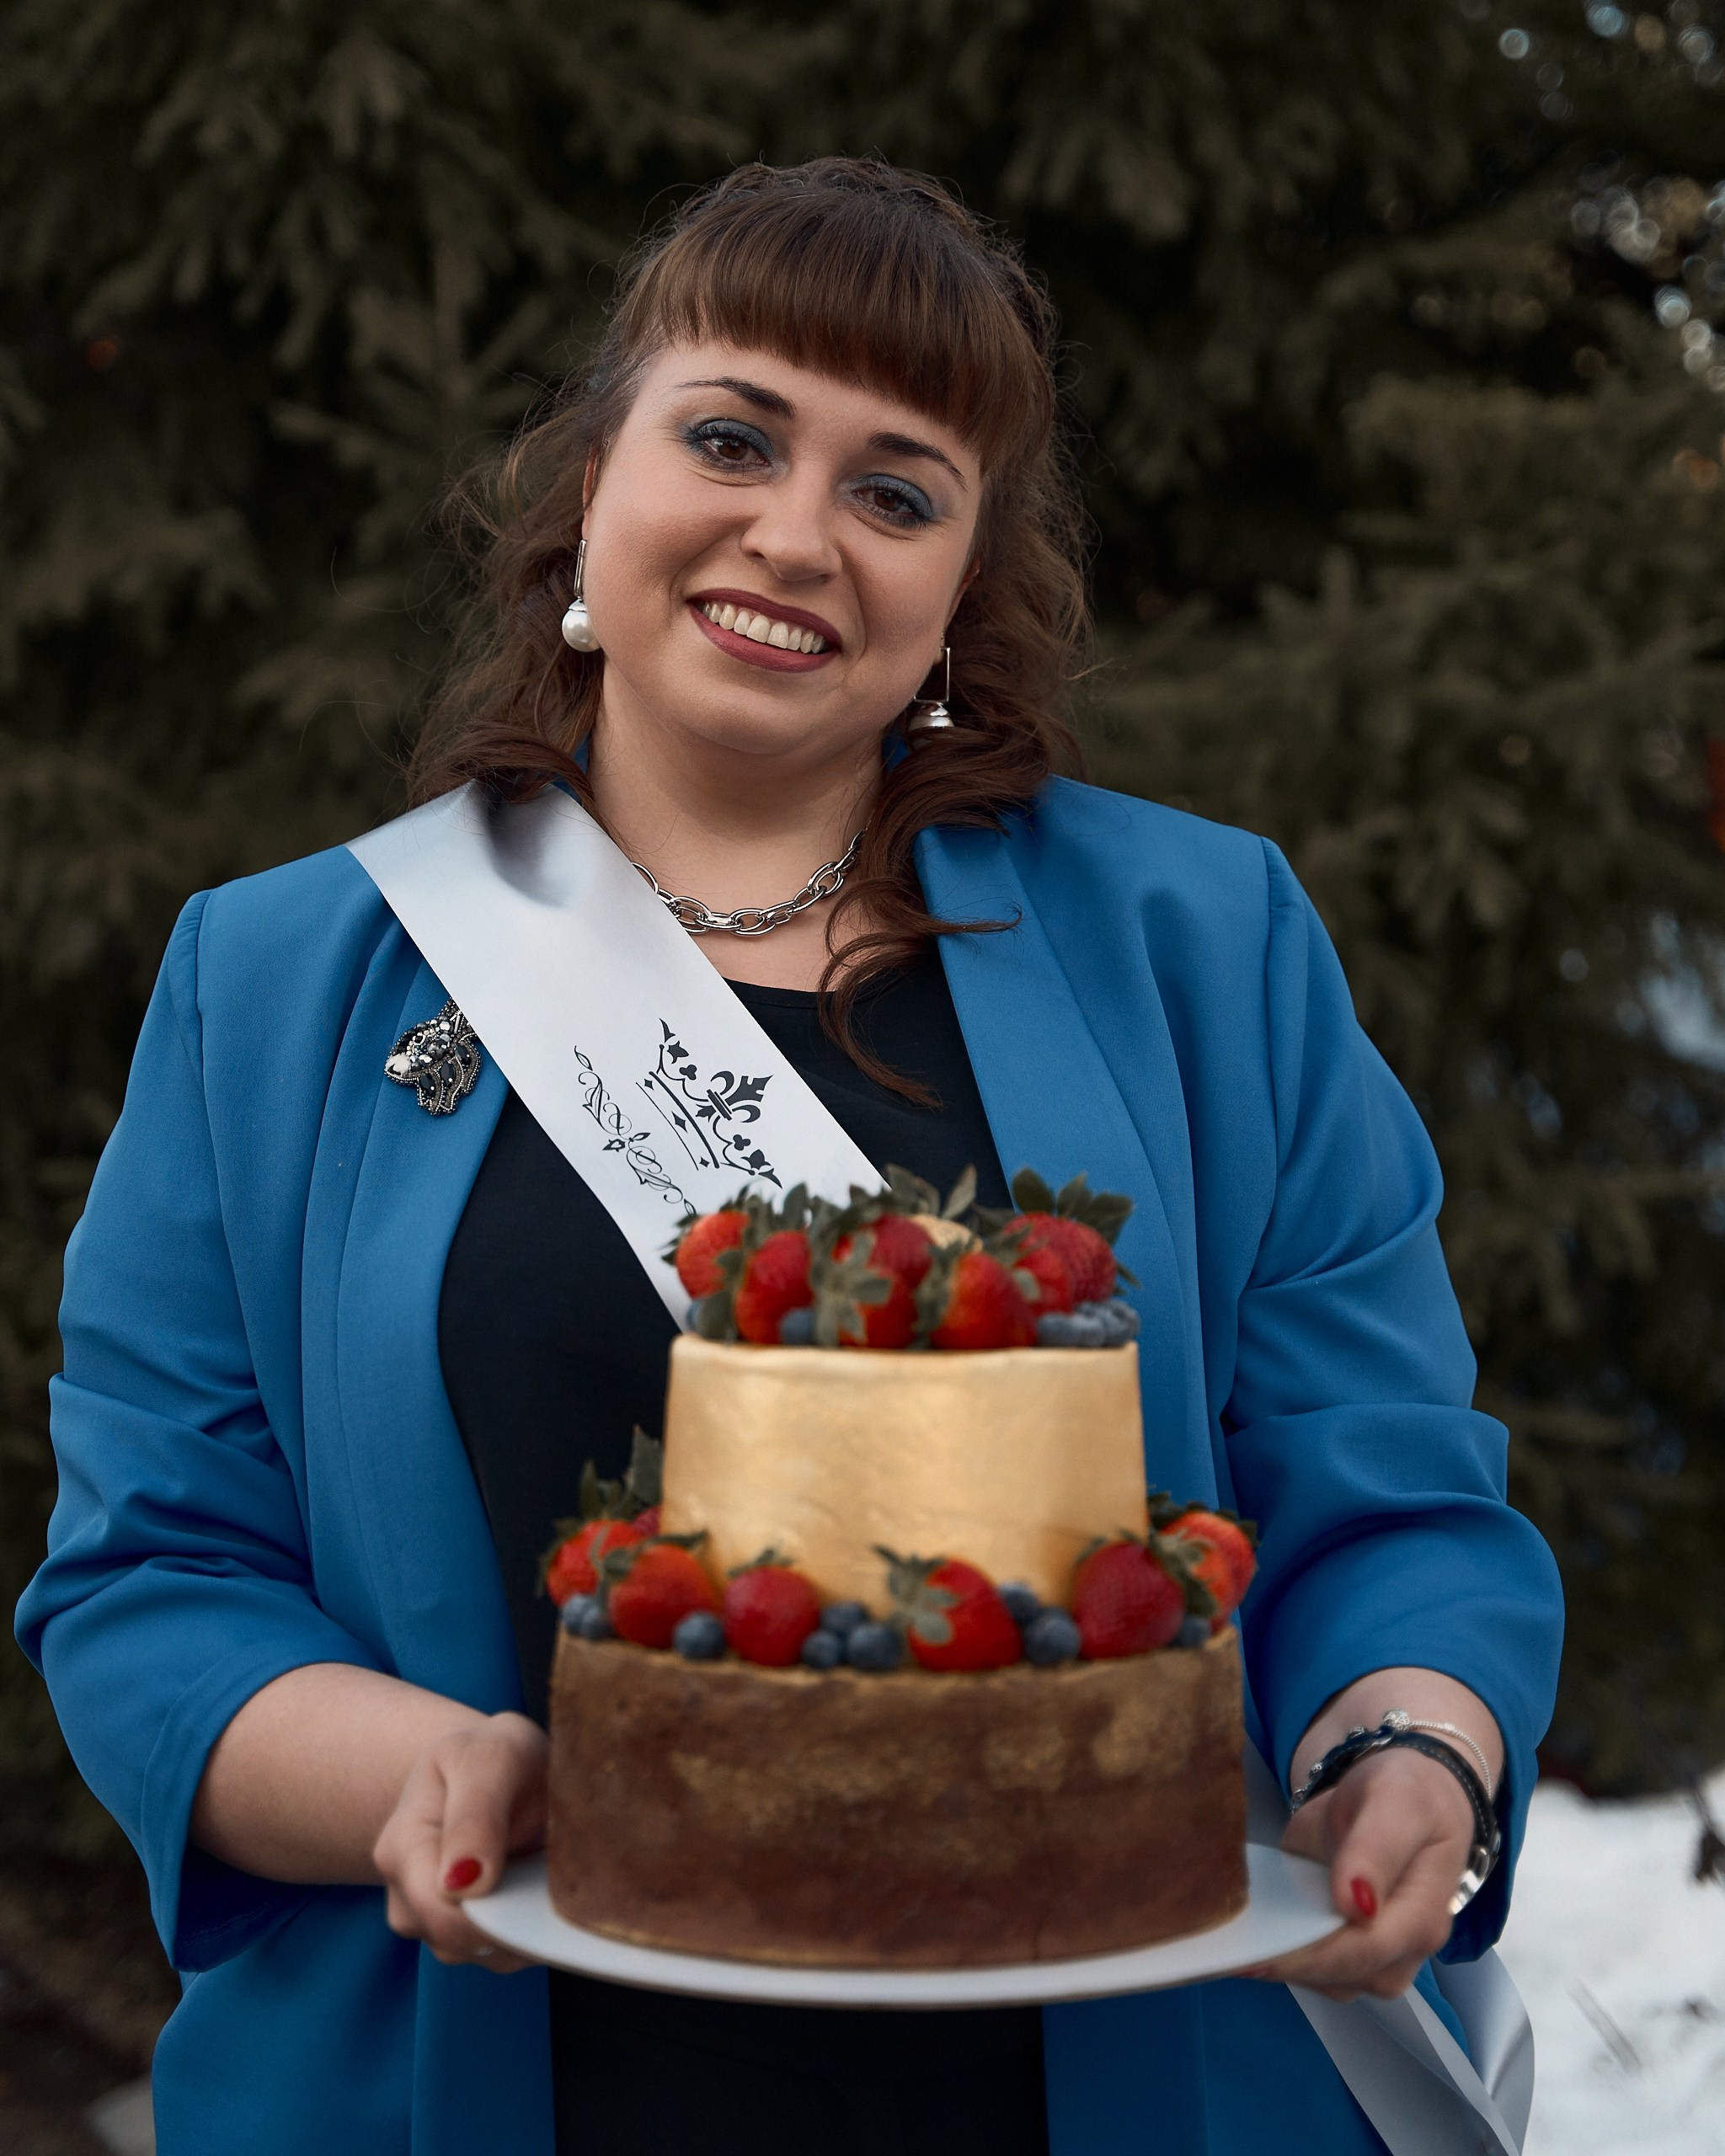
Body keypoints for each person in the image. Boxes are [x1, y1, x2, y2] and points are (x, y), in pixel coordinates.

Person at [16, 158, 1562, 2156]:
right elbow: (153, 1574)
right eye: (732, 437)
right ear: (594, 479)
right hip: (477, 2077)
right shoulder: (278, 979)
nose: (797, 533)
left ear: (958, 588)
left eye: (896, 491)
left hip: (1129, 2079)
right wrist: (420, 1772)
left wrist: (1409, 1739)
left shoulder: (1203, 944)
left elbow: (1387, 1478)